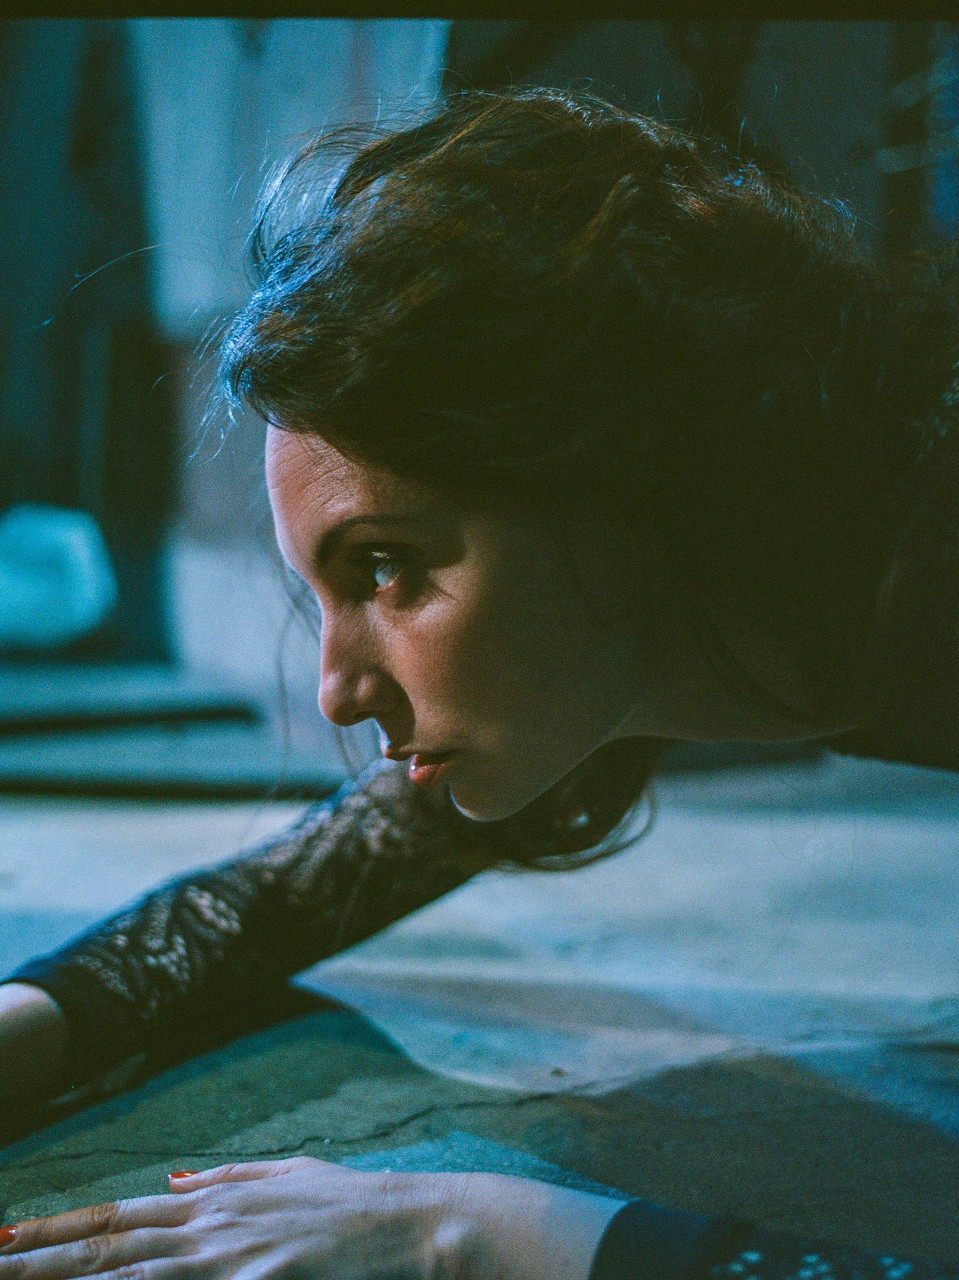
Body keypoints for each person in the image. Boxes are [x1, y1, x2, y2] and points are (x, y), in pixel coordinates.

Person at [1, 86, 958, 1280]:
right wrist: (29, 1022)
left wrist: (473, 1225)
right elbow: (284, 896)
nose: (337, 689)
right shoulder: (678, 602)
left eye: (386, 566)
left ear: (619, 477)